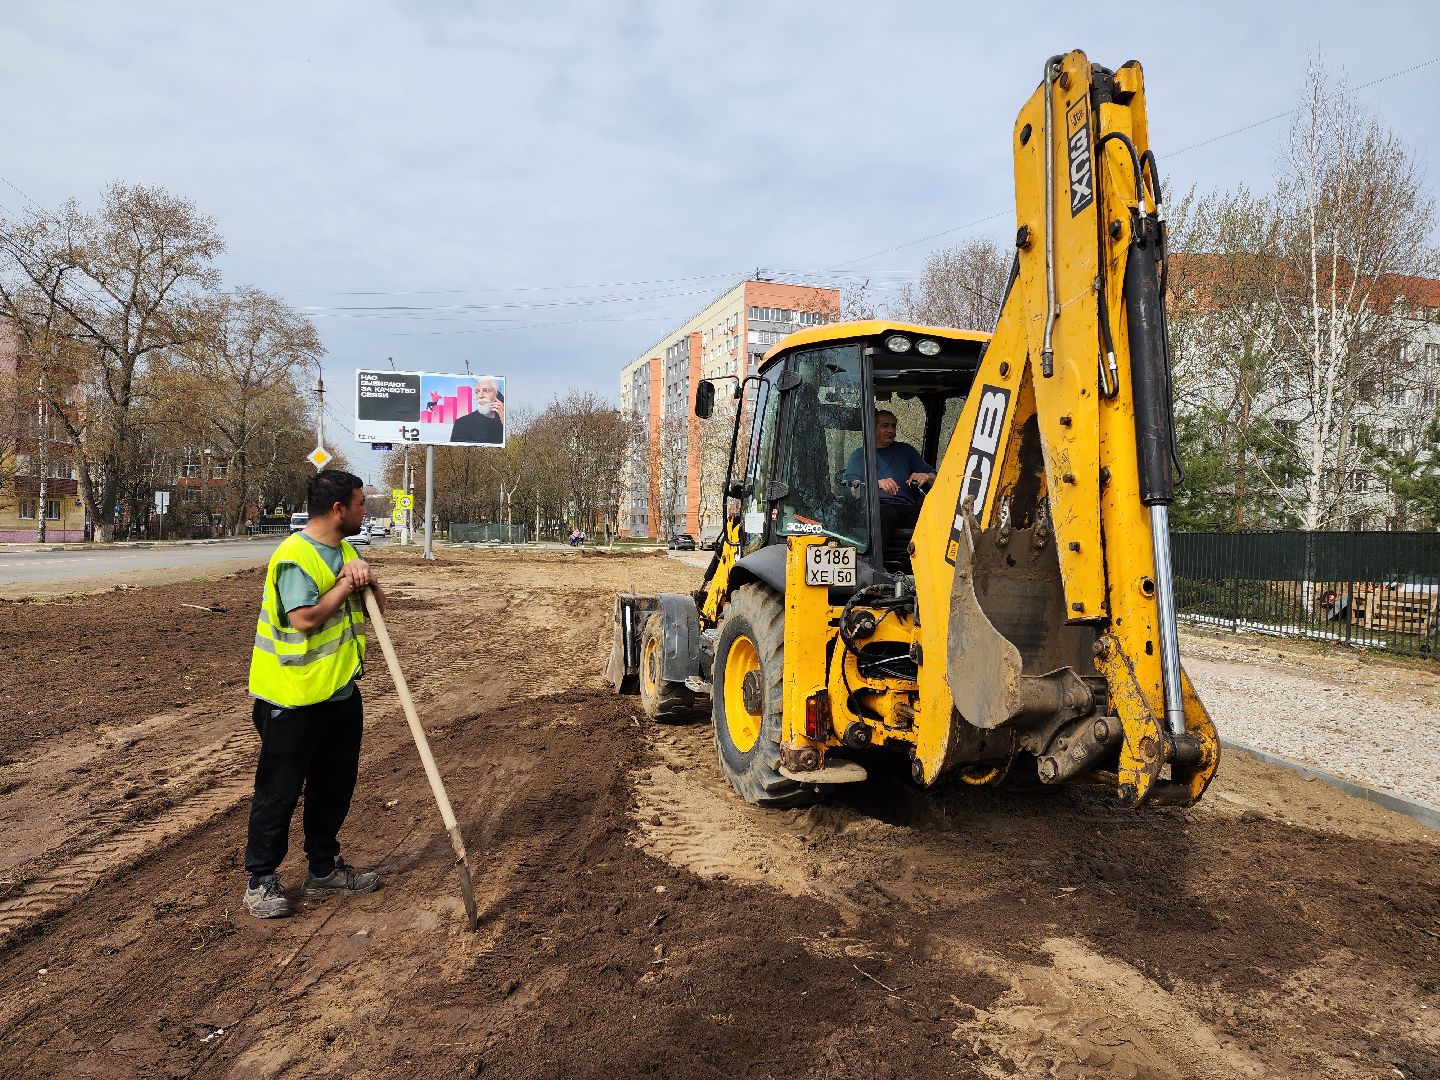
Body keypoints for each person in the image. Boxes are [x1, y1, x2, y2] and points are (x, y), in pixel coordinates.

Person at [243, 469, 387, 919]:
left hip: (340, 694)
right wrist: (346, 584)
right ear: (339, 508)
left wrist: (369, 580)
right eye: (362, 503)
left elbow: (378, 609)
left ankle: (323, 871)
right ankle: (261, 879)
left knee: (334, 788)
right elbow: (304, 618)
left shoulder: (347, 550)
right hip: (292, 699)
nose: (367, 510)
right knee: (278, 793)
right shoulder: (295, 555)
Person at [844, 410, 936, 552]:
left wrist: (926, 476)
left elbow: (938, 479)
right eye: (885, 426)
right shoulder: (859, 456)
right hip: (875, 509)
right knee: (882, 514)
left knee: (934, 515)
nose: (890, 430)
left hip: (906, 508)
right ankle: (874, 564)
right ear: (872, 428)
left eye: (893, 426)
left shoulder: (906, 451)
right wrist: (876, 484)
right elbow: (849, 491)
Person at [450, 376, 506, 444]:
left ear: (497, 395)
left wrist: (504, 422)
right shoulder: (461, 423)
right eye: (477, 391)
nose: (480, 396)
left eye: (486, 391)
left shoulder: (505, 421)